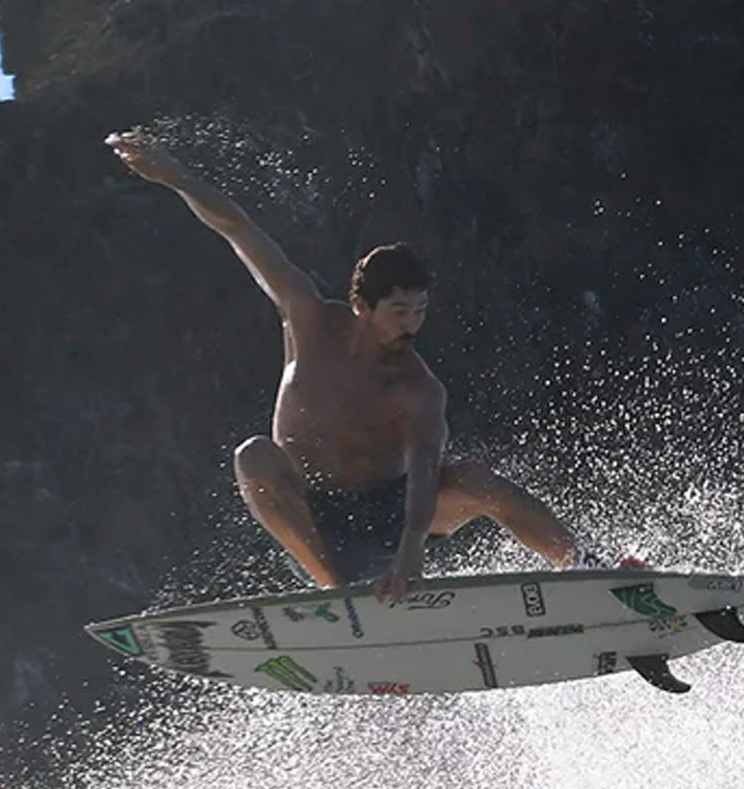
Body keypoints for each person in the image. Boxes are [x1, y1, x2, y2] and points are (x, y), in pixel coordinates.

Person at [107, 131, 611, 603]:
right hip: (317, 516)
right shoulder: (306, 318)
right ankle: (338, 594)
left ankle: (592, 568)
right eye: (399, 313)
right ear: (361, 307)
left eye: (420, 312)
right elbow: (238, 228)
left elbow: (424, 471)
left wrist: (411, 548)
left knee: (477, 479)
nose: (411, 326)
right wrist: (176, 177)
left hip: (394, 514)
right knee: (253, 457)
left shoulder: (417, 388)